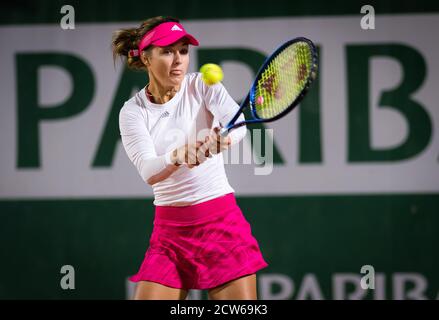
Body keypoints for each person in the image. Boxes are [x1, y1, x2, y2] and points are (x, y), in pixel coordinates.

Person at [113, 16, 268, 300]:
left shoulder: (202, 85)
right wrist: (180, 154)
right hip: (169, 236)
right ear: (146, 58)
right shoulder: (132, 112)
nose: (178, 60)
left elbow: (240, 127)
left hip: (222, 226)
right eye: (167, 51)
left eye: (183, 51)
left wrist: (222, 140)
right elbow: (149, 171)